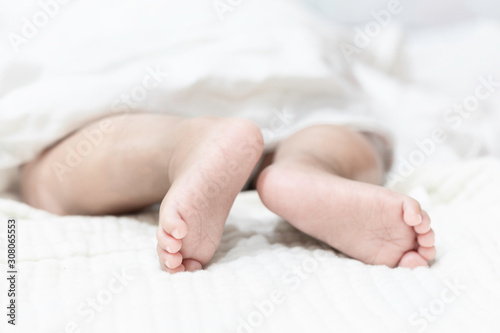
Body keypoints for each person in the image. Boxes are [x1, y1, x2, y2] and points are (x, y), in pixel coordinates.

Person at [20, 112, 435, 273]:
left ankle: (187, 142)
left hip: (136, 85)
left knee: (47, 176)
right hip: (286, 75)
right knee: (346, 128)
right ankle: (305, 166)